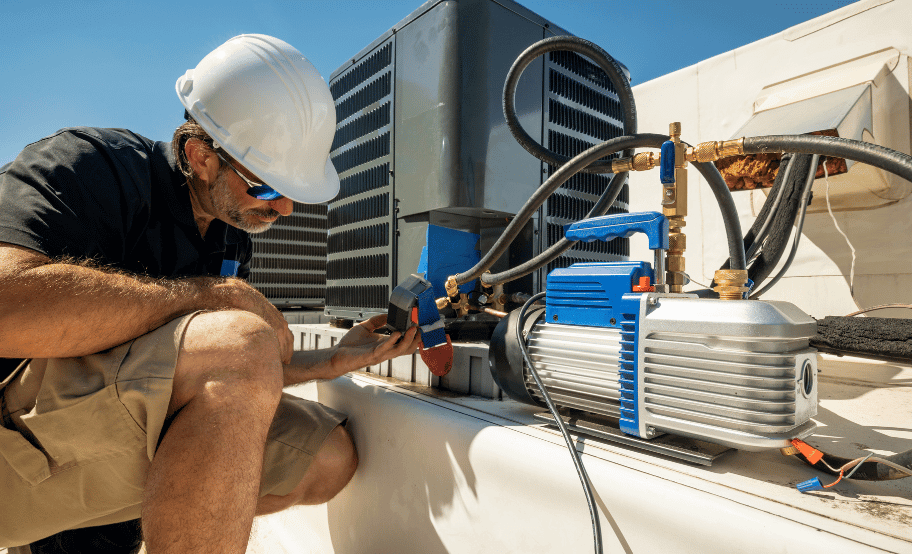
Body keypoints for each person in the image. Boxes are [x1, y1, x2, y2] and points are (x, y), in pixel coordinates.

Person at [0, 34, 421, 553]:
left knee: (328, 456)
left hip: (103, 458)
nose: (286, 208)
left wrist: (327, 362)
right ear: (200, 156)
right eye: (267, 187)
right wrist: (206, 297)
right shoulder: (91, 169)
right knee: (238, 338)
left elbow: (211, 371)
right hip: (14, 455)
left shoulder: (229, 236)